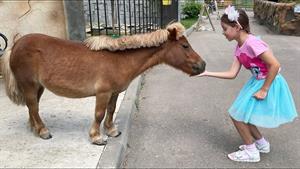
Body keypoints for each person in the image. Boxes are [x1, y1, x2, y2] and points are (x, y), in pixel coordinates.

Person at [198, 6, 298, 162]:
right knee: (245, 114)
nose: (223, 32)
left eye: (225, 29)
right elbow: (232, 73)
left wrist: (265, 89)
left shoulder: (253, 43)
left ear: (237, 27)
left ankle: (251, 151)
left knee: (237, 114)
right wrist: (207, 73)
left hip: (268, 82)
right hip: (257, 81)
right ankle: (261, 144)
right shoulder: (239, 47)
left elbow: (275, 65)